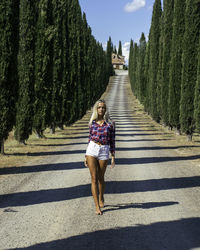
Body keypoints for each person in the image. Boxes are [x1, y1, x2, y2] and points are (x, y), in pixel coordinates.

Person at [84, 99, 115, 215]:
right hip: (92, 149)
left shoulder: (110, 124)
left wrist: (113, 156)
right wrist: (85, 156)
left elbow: (112, 140)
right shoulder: (92, 123)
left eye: (103, 107)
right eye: (99, 107)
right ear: (96, 109)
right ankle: (97, 206)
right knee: (93, 178)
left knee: (101, 178)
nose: (101, 109)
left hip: (104, 150)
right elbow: (89, 138)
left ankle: (101, 197)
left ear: (105, 110)